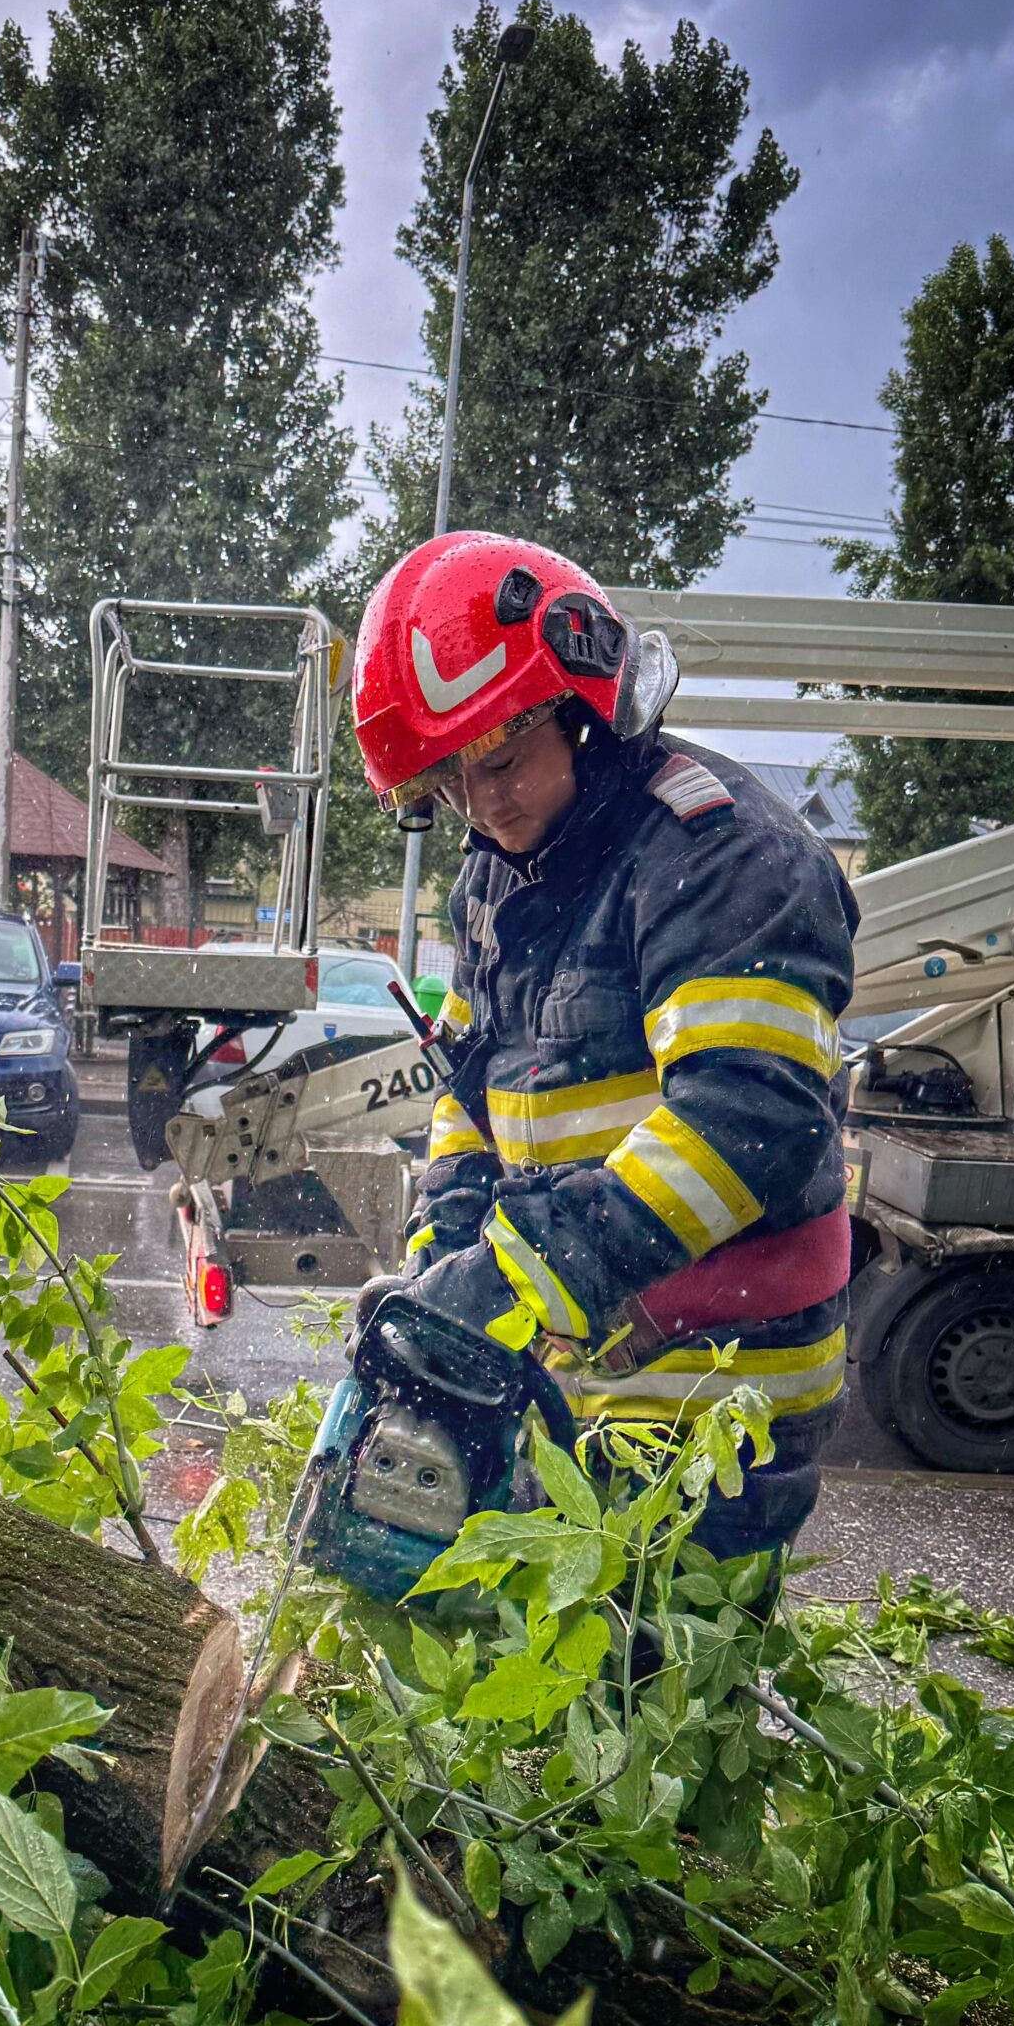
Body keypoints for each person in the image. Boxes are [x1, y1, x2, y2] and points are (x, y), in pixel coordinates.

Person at [353, 530, 860, 1564]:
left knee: (642, 1688)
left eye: (500, 762)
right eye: (449, 783)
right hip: (579, 1368)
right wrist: (444, 1253)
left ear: (586, 708)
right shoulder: (497, 875)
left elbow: (747, 1117)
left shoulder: (722, 857)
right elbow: (473, 1083)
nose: (484, 806)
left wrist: (518, 1273)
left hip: (714, 1397)